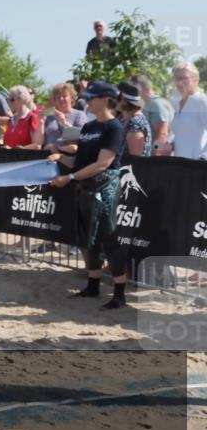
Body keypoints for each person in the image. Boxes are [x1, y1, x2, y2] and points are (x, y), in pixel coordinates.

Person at [48, 81, 128, 309]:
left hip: (105, 188)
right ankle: (93, 285)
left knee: (108, 236)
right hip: (84, 187)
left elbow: (103, 164)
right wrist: (60, 159)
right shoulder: (89, 127)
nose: (87, 101)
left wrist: (70, 178)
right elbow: (78, 161)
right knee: (87, 237)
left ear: (105, 100)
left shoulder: (114, 127)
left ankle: (119, 294)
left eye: (92, 97)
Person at [165, 63, 207, 161]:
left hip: (197, 165)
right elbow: (181, 134)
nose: (180, 82)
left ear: (195, 79)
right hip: (179, 164)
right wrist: (170, 144)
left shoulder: (201, 101)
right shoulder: (176, 102)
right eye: (177, 78)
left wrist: (204, 158)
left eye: (184, 78)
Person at [132, 74, 174, 155]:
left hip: (157, 161)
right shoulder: (148, 104)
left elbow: (162, 134)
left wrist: (154, 156)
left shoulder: (156, 104)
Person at [41, 83, 88, 154]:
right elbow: (41, 142)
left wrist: (64, 122)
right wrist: (40, 122)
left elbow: (82, 137)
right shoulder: (49, 116)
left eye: (64, 96)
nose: (61, 99)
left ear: (71, 98)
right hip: (48, 155)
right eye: (58, 97)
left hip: (69, 155)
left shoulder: (79, 115)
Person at [117, 81, 152, 157]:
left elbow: (135, 159)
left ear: (124, 101)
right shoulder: (122, 119)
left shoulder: (136, 123)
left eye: (117, 97)